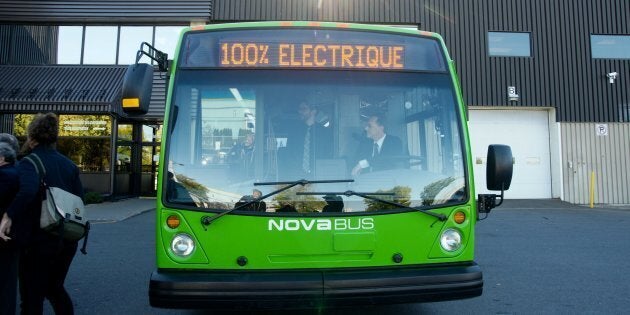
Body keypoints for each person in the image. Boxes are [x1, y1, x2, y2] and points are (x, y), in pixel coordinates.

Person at [0, 113, 84, 314]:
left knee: (31, 296)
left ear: (31, 137)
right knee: (55, 289)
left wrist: (8, 215)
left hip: (39, 240)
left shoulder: (30, 162)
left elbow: (27, 191)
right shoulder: (69, 165)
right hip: (67, 238)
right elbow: (81, 199)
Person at [280, 101, 333, 179]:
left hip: (317, 176)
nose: (300, 111)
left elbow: (327, 153)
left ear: (313, 111)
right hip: (295, 175)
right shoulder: (294, 131)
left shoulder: (323, 132)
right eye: (299, 109)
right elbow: (289, 151)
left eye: (304, 109)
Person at [0, 135, 19, 315]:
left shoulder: (4, 175)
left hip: (4, 233)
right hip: (13, 234)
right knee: (8, 279)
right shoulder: (18, 171)